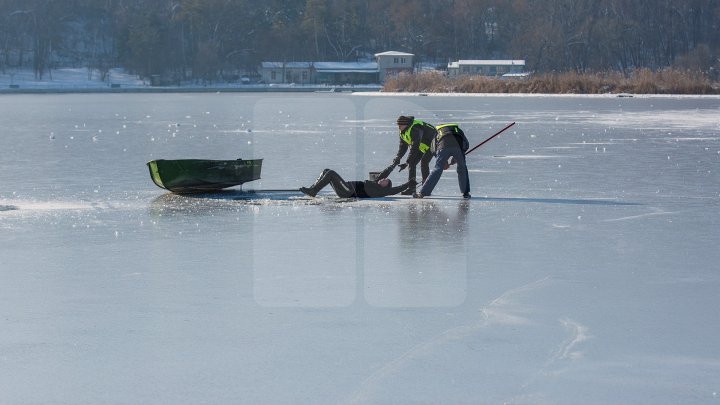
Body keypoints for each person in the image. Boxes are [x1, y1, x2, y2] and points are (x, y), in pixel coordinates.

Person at [376, 116, 437, 195]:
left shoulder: (415, 129)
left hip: (433, 143)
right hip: (422, 145)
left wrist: (407, 162)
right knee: (412, 163)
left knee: (424, 162)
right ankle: (412, 188)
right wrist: (398, 157)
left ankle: (426, 188)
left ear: (405, 125)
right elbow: (403, 147)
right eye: (398, 126)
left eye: (400, 126)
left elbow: (414, 147)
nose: (399, 128)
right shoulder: (402, 132)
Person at [415, 123, 471, 199]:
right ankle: (465, 193)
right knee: (462, 168)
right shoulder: (458, 130)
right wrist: (459, 157)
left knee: (437, 169)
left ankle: (422, 193)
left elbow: (433, 149)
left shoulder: (438, 132)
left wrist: (443, 162)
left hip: (443, 147)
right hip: (458, 147)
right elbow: (466, 144)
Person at [299, 169, 416, 198]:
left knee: (330, 173)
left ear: (386, 186)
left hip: (348, 192)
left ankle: (313, 191)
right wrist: (394, 164)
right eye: (383, 179)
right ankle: (313, 189)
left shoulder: (381, 191)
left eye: (385, 181)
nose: (382, 179)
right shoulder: (375, 183)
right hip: (345, 188)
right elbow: (384, 173)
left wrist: (408, 184)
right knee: (326, 170)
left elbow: (394, 190)